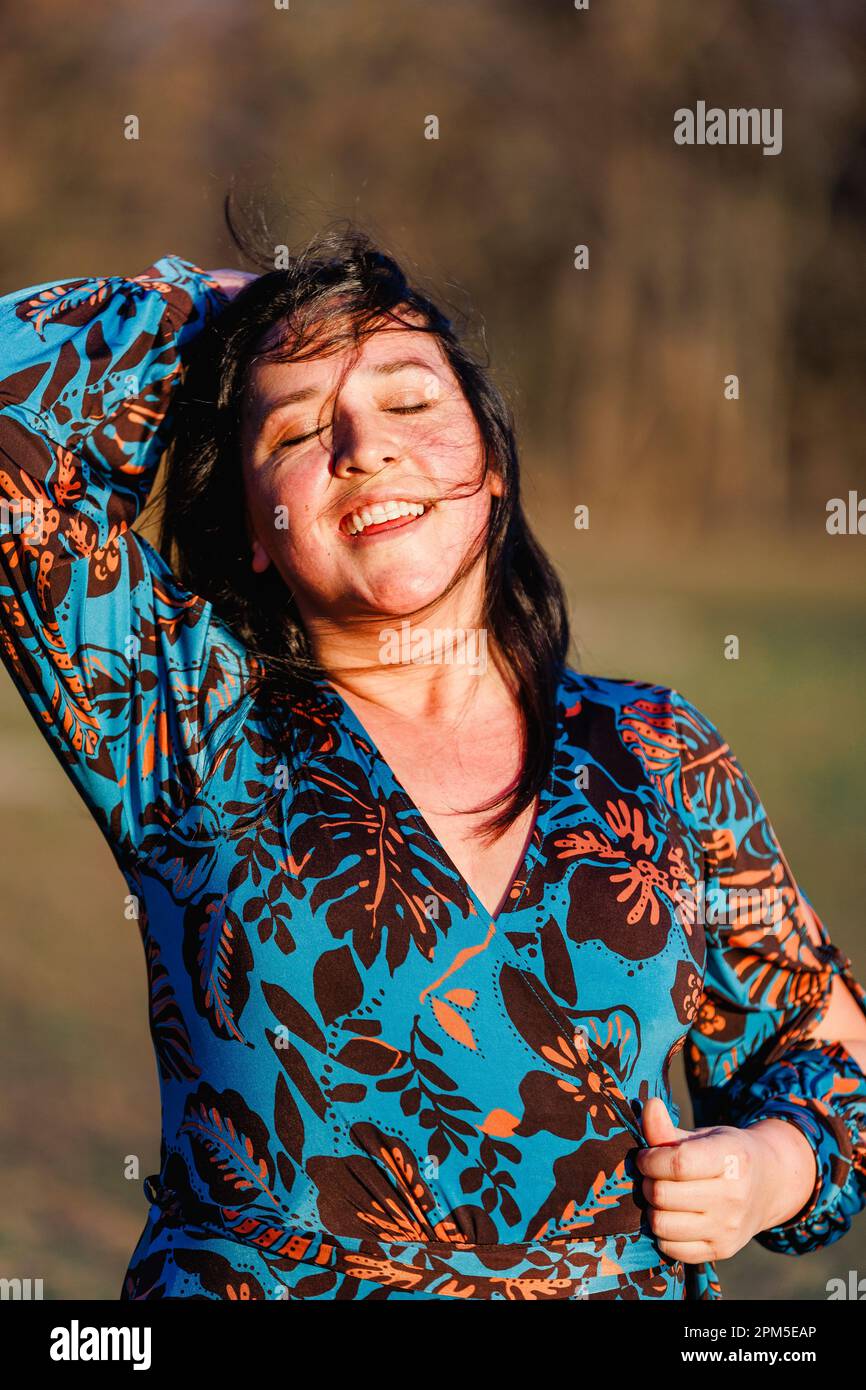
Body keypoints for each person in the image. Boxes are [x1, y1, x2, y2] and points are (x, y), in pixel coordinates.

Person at [1, 222, 865, 1301]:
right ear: (257, 529)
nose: (363, 444)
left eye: (409, 402)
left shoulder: (657, 750)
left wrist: (765, 1167)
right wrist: (212, 305)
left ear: (492, 465)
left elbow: (820, 1047)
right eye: (299, 431)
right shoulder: (181, 717)